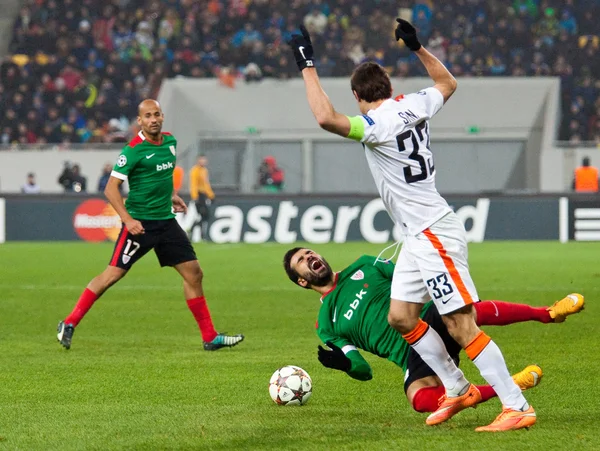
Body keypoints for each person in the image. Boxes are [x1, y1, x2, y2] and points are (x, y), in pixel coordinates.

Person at [287, 21, 538, 431]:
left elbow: (325, 119)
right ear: (387, 85)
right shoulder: (416, 102)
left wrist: (306, 64)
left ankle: (516, 404)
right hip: (415, 237)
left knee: (459, 323)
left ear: (357, 95)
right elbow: (448, 83)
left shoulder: (377, 126)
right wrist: (418, 47)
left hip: (434, 231)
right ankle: (457, 388)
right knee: (401, 317)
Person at [283, 248, 584, 414]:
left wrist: (444, 294)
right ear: (302, 281)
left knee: (463, 312)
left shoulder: (365, 264)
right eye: (302, 261)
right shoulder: (326, 324)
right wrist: (345, 364)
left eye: (310, 253)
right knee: (419, 399)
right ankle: (508, 386)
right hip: (410, 354)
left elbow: (412, 276)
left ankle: (547, 313)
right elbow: (364, 370)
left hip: (424, 318)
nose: (311, 257)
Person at [57, 99, 244, 352]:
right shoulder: (132, 150)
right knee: (113, 274)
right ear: (140, 121)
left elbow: (158, 177)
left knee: (194, 274)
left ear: (162, 116)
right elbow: (110, 189)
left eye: (156, 114)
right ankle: (68, 323)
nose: (153, 119)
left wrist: (171, 196)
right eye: (147, 116)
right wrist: (128, 220)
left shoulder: (170, 143)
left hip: (166, 222)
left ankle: (209, 337)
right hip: (140, 224)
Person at [189, 156, 215, 241]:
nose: (203, 161)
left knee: (204, 215)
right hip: (198, 195)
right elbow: (193, 184)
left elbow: (206, 185)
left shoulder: (204, 171)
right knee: (203, 214)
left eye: (204, 160)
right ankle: (197, 232)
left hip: (203, 195)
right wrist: (195, 196)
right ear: (198, 160)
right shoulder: (195, 170)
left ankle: (198, 233)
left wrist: (211, 195)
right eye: (201, 159)